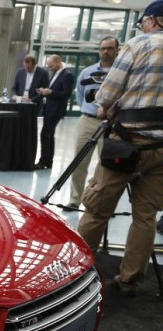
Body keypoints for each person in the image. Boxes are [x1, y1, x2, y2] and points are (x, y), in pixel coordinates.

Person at [77, 0, 163, 296]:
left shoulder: (140, 44)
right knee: (145, 216)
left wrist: (106, 108)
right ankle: (129, 279)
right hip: (162, 150)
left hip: (127, 145)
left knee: (97, 208)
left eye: (142, 22)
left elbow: (106, 95)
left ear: (153, 20)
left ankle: (75, 271)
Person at [66, 37, 120, 209]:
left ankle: (100, 203)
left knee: (106, 165)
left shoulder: (121, 73)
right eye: (103, 48)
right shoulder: (87, 72)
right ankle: (75, 199)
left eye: (110, 48)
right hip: (87, 120)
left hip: (110, 123)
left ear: (117, 50)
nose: (106, 51)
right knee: (79, 160)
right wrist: (85, 108)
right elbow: (80, 93)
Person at [35, 54, 74, 170]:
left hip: (56, 110)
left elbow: (67, 94)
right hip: (50, 108)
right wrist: (44, 91)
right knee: (48, 135)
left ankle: (44, 161)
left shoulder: (67, 75)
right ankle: (48, 161)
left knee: (45, 134)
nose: (50, 68)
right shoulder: (56, 74)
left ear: (58, 62)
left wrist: (50, 92)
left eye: (51, 66)